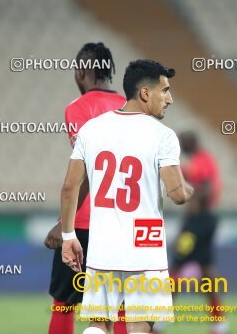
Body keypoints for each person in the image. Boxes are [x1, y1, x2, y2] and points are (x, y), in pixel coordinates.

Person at [60, 59, 194, 334]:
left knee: (98, 325)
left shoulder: (92, 129)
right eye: (165, 90)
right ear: (145, 93)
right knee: (140, 326)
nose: (170, 98)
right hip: (145, 244)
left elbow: (70, 187)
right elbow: (178, 194)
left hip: (102, 244)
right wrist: (189, 187)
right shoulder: (163, 136)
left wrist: (68, 236)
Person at [44, 42, 126, 334]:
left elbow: (88, 168)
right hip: (122, 223)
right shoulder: (132, 108)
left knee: (64, 302)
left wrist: (62, 226)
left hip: (83, 222)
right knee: (121, 306)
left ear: (81, 72)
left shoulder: (78, 108)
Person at [169, 131, 228, 334]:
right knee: (207, 272)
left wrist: (188, 216)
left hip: (198, 223)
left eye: (183, 142)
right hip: (205, 221)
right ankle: (219, 323)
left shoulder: (202, 161)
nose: (181, 146)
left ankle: (160, 322)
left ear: (191, 143)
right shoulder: (200, 161)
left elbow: (205, 189)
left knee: (175, 267)